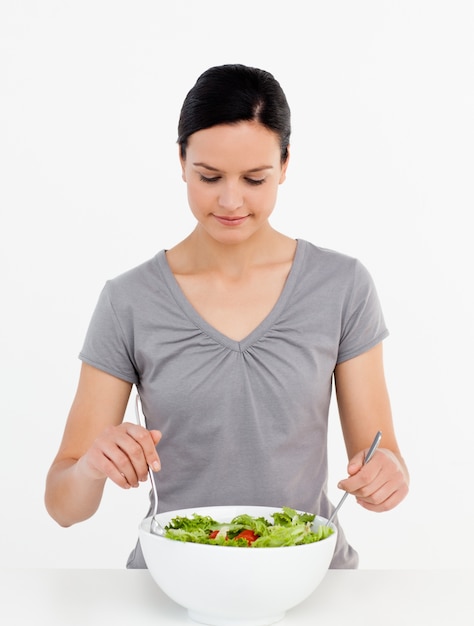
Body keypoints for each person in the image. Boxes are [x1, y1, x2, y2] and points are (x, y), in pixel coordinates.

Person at [45, 63, 409, 568]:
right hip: (174, 580)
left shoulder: (342, 287)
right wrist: (90, 467)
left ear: (284, 165)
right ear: (181, 161)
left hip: (307, 579)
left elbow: (380, 454)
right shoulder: (128, 300)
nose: (231, 200)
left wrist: (386, 477)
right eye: (209, 177)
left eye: (255, 179)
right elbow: (63, 505)